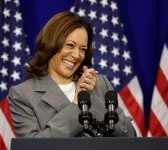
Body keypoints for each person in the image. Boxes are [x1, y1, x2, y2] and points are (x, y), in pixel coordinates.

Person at [8, 11, 136, 137]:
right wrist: (77, 104)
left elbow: (129, 136)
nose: (76, 55)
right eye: (70, 45)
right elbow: (35, 146)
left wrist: (91, 98)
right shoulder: (23, 95)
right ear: (50, 43)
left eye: (83, 49)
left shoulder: (101, 83)